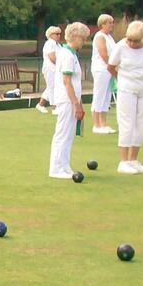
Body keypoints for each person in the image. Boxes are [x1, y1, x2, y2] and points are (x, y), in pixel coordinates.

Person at [108, 20, 143, 174]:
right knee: (126, 123)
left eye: (135, 41)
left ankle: (133, 160)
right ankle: (123, 161)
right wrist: (122, 79)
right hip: (127, 89)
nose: (131, 43)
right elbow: (111, 67)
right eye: (129, 39)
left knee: (141, 122)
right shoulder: (120, 47)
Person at [49, 22, 89, 179]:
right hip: (66, 100)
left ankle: (64, 166)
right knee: (63, 133)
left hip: (71, 100)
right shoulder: (67, 55)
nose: (84, 41)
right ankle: (56, 168)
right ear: (76, 37)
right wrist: (75, 103)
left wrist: (79, 103)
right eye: (83, 38)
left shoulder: (71, 54)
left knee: (69, 134)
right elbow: (67, 82)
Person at [90, 14, 117, 134]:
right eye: (109, 22)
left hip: (109, 70)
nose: (111, 25)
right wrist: (112, 67)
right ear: (102, 24)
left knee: (107, 96)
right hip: (101, 69)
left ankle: (103, 124)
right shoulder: (99, 36)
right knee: (99, 96)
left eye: (112, 22)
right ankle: (96, 125)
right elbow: (103, 54)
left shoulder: (109, 37)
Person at [34, 25, 63, 114]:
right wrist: (60, 65)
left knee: (53, 86)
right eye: (56, 34)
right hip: (50, 69)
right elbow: (52, 57)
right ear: (51, 35)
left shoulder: (58, 45)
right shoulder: (50, 43)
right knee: (52, 87)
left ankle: (40, 104)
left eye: (59, 34)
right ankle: (54, 107)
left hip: (56, 69)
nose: (59, 35)